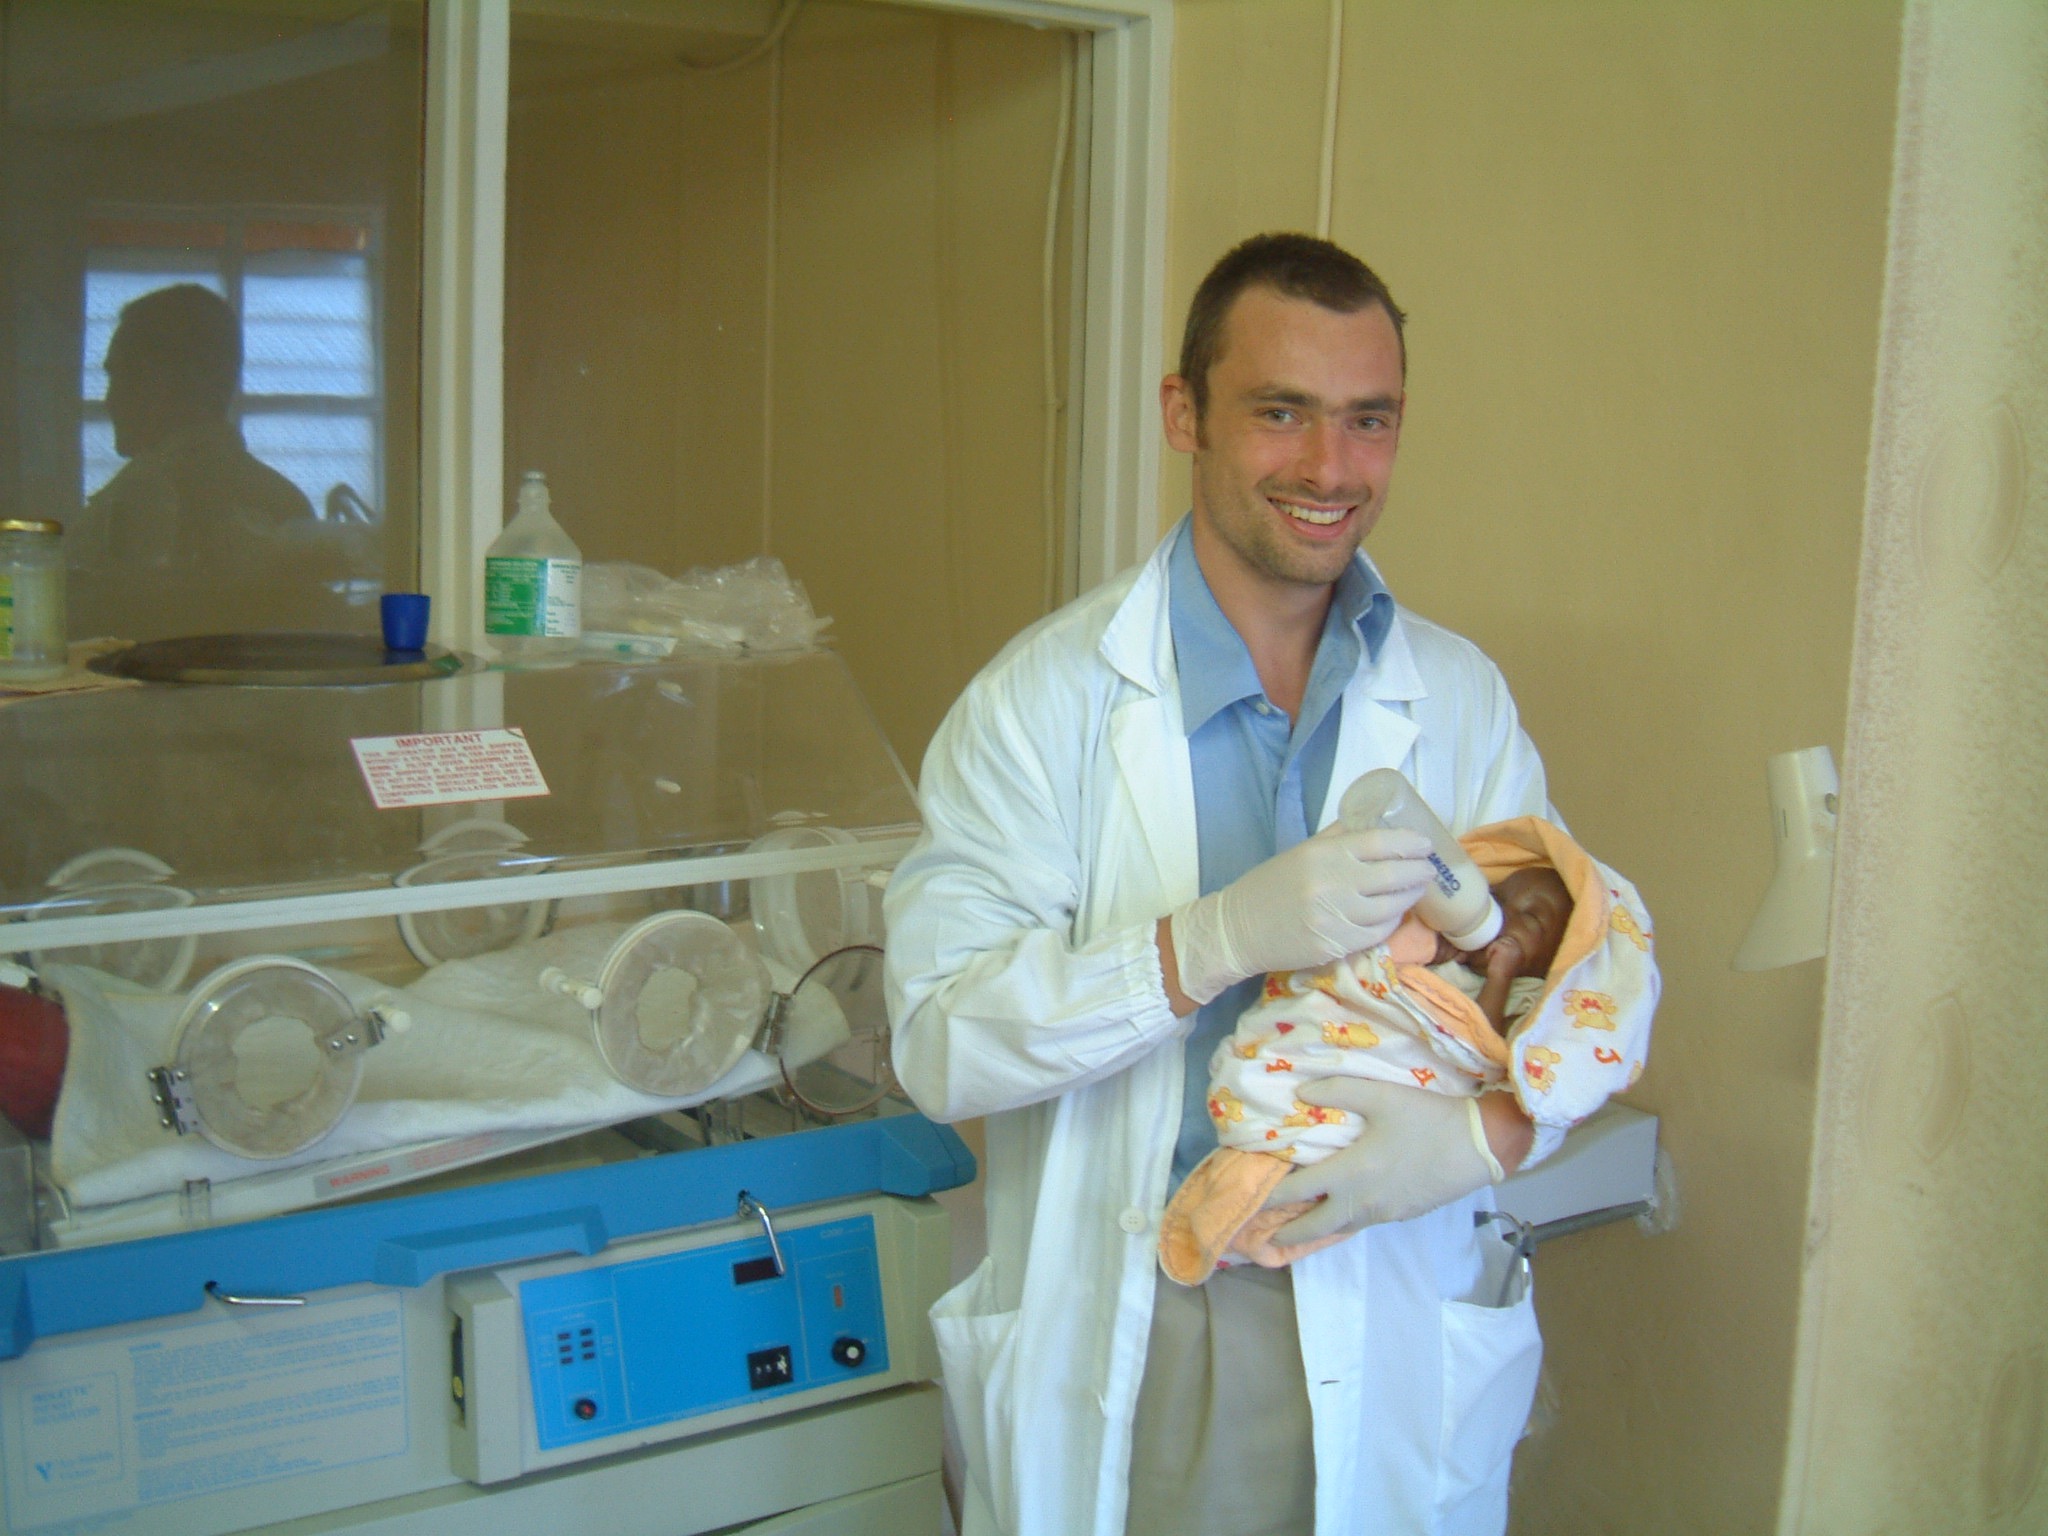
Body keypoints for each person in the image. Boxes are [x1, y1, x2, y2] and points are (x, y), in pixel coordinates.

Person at [886, 233, 1637, 1535]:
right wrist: (1205, 944)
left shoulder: (1456, 699)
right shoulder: (1041, 703)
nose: (1329, 468)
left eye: (1368, 420)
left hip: (1394, 1293)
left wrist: (1485, 1142)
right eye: (1280, 412)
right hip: (1159, 1314)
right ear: (1184, 413)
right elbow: (940, 1045)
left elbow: (1575, 989)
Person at [1158, 815, 1657, 1285]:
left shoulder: (1529, 1003)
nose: (1504, 917)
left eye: (1533, 919)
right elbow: (1370, 965)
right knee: (1274, 1107)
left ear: (1556, 957)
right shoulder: (1442, 940)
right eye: (1499, 897)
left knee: (1326, 1177)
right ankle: (1239, 1196)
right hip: (1320, 1051)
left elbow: (1487, 1047)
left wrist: (1501, 979)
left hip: (1402, 1134)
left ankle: (1249, 1216)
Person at [72, 283, 354, 641]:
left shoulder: (142, 500)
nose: (110, 400)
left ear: (181, 381)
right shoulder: (284, 500)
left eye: (125, 377)